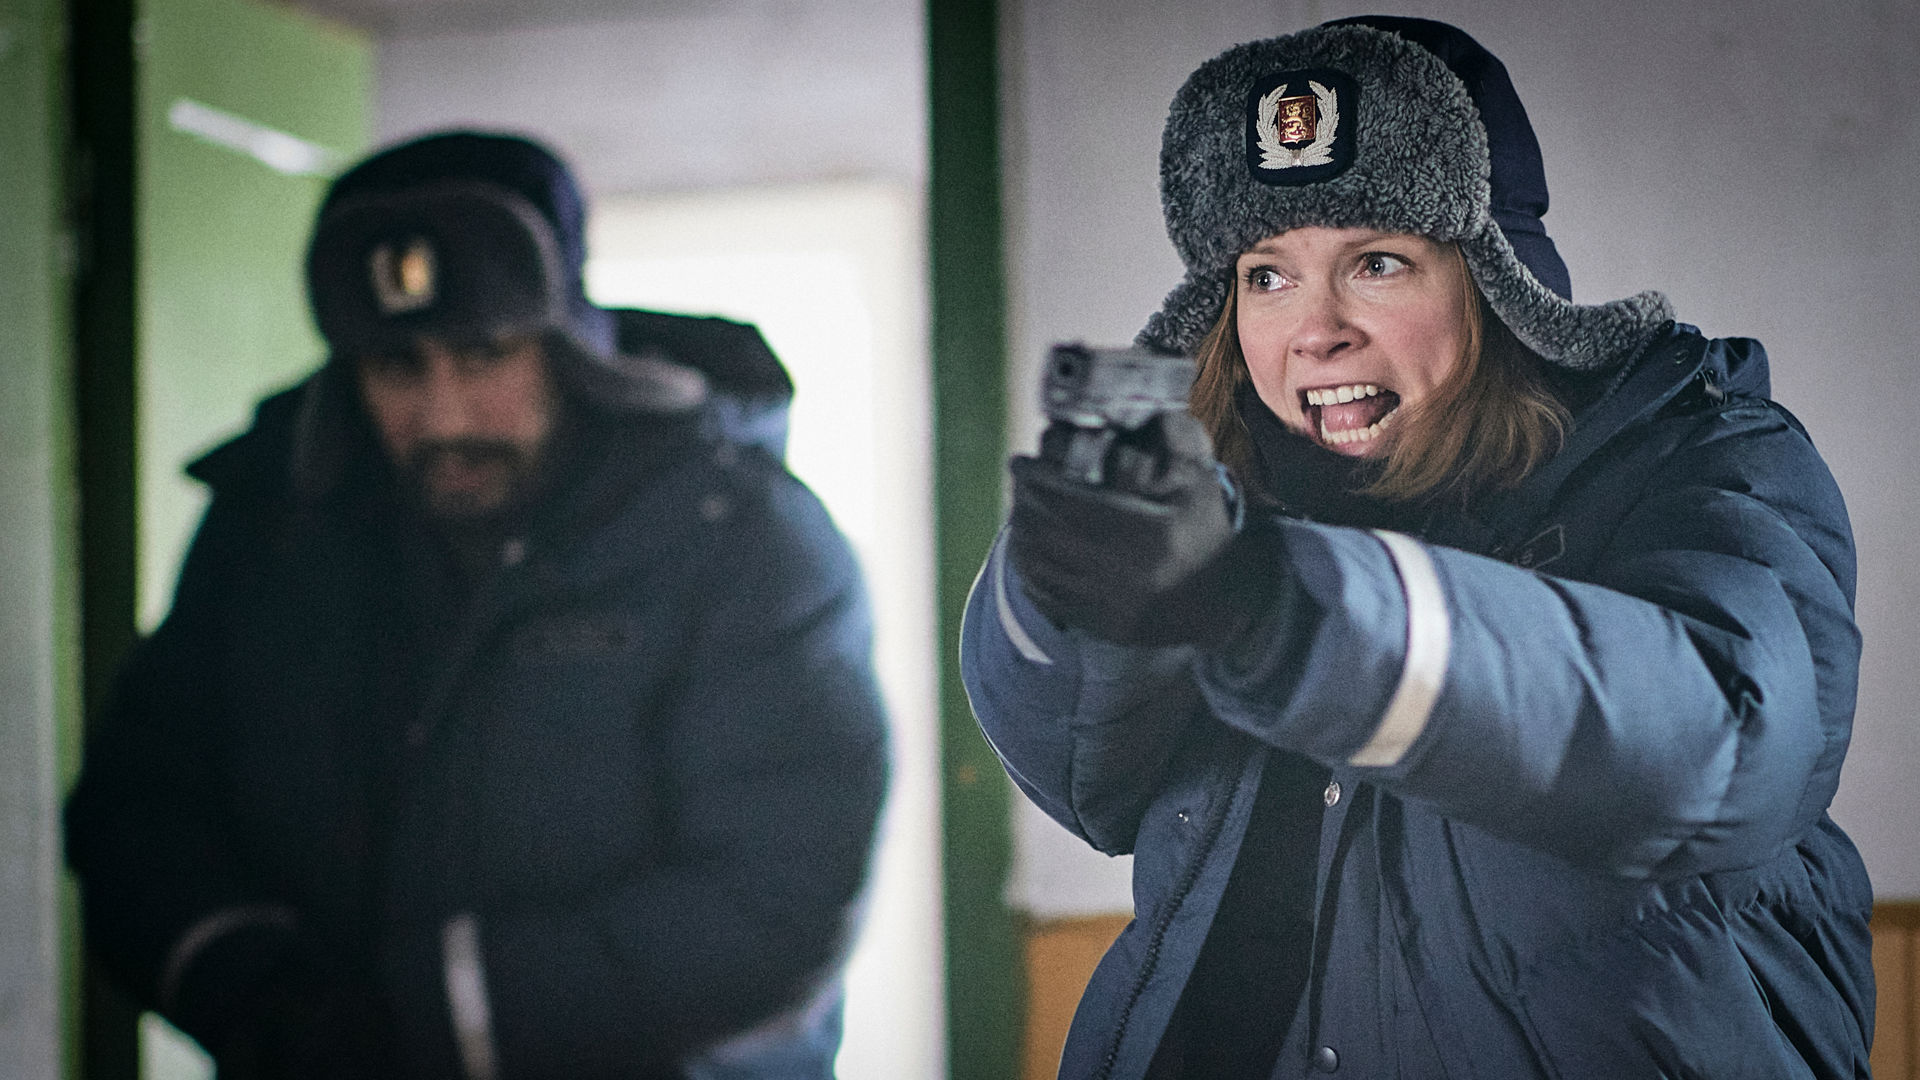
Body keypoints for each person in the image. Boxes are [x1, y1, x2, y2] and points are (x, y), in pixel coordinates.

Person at [963, 16, 1873, 1079]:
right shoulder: (1227, 493)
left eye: (1379, 262)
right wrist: (1068, 575)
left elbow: (1727, 742)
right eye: (1267, 275)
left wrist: (1272, 607)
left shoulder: (1696, 454)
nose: (1316, 330)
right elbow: (1086, 782)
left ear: (1497, 282)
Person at [64, 131, 890, 1080]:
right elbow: (139, 811)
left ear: (568, 350)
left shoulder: (741, 538)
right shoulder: (270, 530)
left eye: (484, 353)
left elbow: (785, 888)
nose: (444, 415)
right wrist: (261, 994)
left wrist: (436, 1018)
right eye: (396, 366)